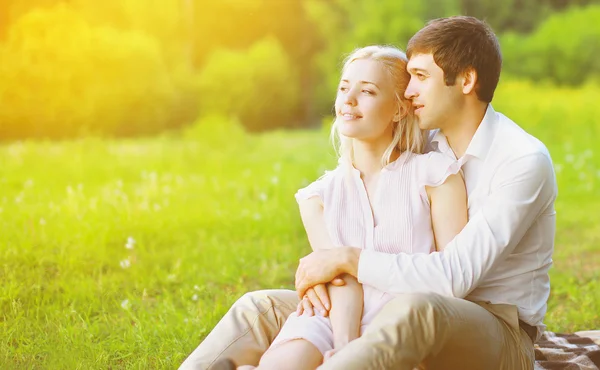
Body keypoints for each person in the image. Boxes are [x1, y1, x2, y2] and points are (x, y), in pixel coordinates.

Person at [180, 15, 557, 370]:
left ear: (467, 80)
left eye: (420, 77)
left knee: (417, 310)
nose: (409, 92)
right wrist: (325, 281)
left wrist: (346, 258)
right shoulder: (426, 140)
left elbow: (454, 278)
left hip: (495, 330)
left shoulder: (521, 160)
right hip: (385, 300)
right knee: (259, 307)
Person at [238, 45, 465, 370]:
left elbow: (452, 279)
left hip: (403, 326)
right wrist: (346, 346)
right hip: (333, 319)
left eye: (367, 91)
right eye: (344, 88)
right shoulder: (318, 197)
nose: (349, 99)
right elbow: (343, 282)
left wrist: (359, 353)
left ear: (399, 109)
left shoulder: (435, 176)